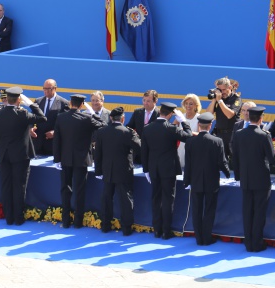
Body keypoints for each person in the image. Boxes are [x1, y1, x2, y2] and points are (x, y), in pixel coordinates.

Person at [0, 87, 47, 225]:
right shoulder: (23, 114)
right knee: (19, 186)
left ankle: (9, 217)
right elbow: (42, 118)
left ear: (7, 99)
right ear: (19, 99)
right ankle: (18, 218)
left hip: (4, 155)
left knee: (6, 186)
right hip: (20, 155)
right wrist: (32, 104)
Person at [231, 105, 275, 253]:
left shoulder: (239, 134)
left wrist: (237, 177)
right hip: (261, 179)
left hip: (246, 179)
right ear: (261, 118)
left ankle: (248, 242)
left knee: (247, 211)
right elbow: (272, 158)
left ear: (249, 117)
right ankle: (257, 243)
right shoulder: (264, 135)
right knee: (259, 212)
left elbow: (234, 158)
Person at [141, 102, 192, 239]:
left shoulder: (147, 128)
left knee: (156, 198)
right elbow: (188, 136)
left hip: (153, 169)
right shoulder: (170, 128)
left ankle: (157, 230)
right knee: (168, 199)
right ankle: (166, 231)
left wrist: (146, 169)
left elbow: (144, 151)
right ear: (170, 114)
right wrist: (184, 121)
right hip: (168, 169)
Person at [53, 94, 105, 228]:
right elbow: (103, 125)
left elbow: (57, 140)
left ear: (70, 103)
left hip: (65, 159)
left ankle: (65, 221)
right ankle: (78, 222)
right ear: (82, 104)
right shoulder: (86, 118)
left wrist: (57, 159)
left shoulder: (61, 117)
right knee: (79, 190)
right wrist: (93, 113)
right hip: (81, 160)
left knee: (65, 189)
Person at [183, 112, 230, 246]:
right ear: (210, 126)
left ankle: (199, 238)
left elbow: (188, 164)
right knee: (209, 210)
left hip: (196, 181)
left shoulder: (191, 141)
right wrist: (228, 174)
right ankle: (207, 237)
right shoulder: (217, 141)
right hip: (211, 181)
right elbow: (222, 162)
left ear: (199, 125)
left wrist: (187, 181)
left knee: (196, 210)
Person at [94, 106, 141, 235]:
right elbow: (140, 147)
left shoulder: (102, 132)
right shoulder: (128, 132)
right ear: (123, 118)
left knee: (106, 198)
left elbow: (97, 154)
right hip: (124, 171)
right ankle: (126, 229)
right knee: (125, 200)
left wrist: (98, 171)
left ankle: (105, 225)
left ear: (110, 118)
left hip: (107, 171)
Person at [32, 78, 69, 155]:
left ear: (55, 88)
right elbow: (32, 118)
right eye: (44, 88)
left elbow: (66, 124)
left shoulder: (63, 103)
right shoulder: (38, 101)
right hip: (37, 143)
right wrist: (30, 128)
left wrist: (56, 132)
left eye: (48, 89)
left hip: (53, 145)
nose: (46, 91)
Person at [207, 77, 240, 161]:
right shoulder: (218, 98)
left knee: (234, 162)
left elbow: (230, 115)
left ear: (230, 87)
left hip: (232, 135)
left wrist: (220, 101)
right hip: (219, 134)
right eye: (219, 90)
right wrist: (214, 100)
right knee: (218, 161)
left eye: (224, 90)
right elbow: (208, 115)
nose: (222, 92)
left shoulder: (236, 98)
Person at [177, 93, 202, 166]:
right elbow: (172, 129)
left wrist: (188, 133)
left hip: (193, 148)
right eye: (186, 103)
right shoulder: (180, 117)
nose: (188, 106)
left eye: (191, 104)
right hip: (180, 148)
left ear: (196, 106)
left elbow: (202, 134)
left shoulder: (199, 118)